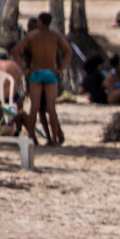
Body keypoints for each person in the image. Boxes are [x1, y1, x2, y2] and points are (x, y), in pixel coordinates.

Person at [12, 12, 72, 146]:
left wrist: (25, 69)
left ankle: (31, 138)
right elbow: (68, 51)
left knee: (34, 107)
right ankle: (55, 139)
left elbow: (15, 51)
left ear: (39, 21)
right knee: (51, 109)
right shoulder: (55, 35)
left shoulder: (32, 36)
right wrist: (61, 69)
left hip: (36, 73)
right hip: (51, 73)